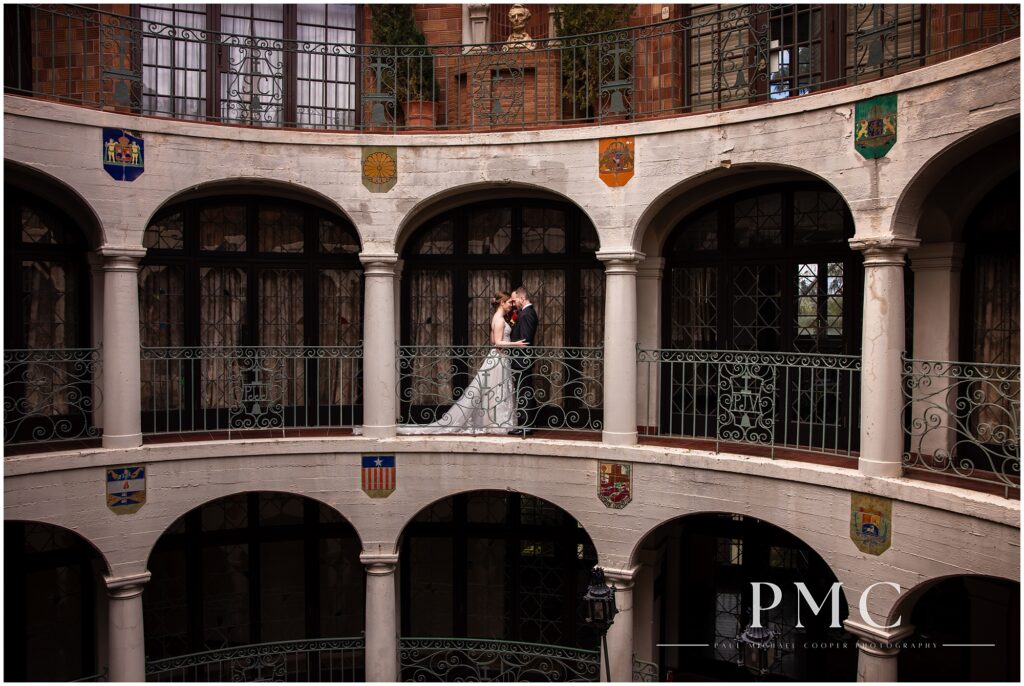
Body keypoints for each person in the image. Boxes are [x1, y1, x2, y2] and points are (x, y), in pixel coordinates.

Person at [398, 291, 526, 435]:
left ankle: (497, 423)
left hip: (500, 358)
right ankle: (498, 423)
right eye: (509, 302)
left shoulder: (497, 317)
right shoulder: (500, 319)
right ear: (502, 303)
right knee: (496, 391)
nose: (511, 305)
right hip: (499, 358)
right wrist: (515, 343)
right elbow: (496, 342)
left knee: (494, 391)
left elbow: (492, 340)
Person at [508, 286, 539, 436]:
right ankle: (525, 424)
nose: (514, 304)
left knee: (524, 391)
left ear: (522, 298)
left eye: (515, 301)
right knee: (523, 390)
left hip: (522, 359)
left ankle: (526, 425)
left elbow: (525, 339)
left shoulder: (527, 314)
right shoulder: (525, 313)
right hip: (521, 359)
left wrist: (513, 346)